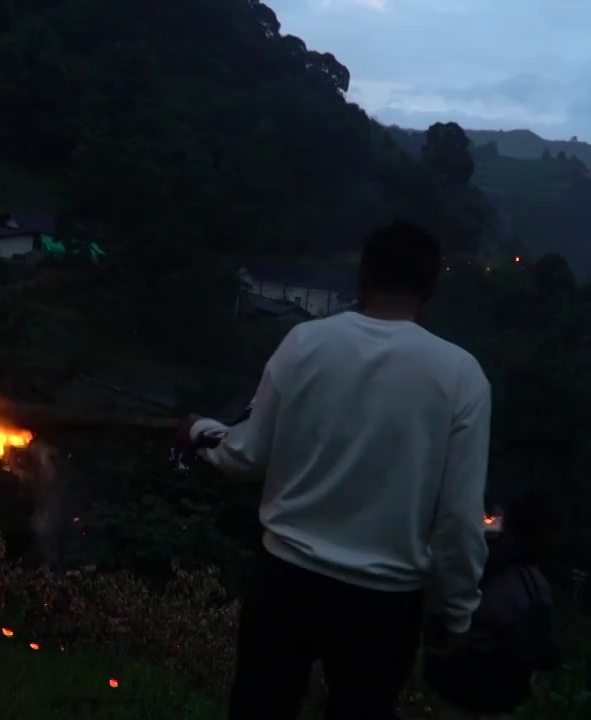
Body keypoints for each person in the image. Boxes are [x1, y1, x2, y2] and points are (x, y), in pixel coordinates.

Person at [177, 220, 493, 720]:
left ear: (363, 276)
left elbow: (245, 456)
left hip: (286, 581)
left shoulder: (304, 343)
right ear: (430, 288)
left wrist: (200, 433)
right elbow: (458, 518)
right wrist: (456, 614)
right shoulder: (461, 376)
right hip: (384, 604)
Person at [423, 489, 565, 719]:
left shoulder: (474, 563)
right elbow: (538, 649)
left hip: (454, 687)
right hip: (495, 696)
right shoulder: (531, 585)